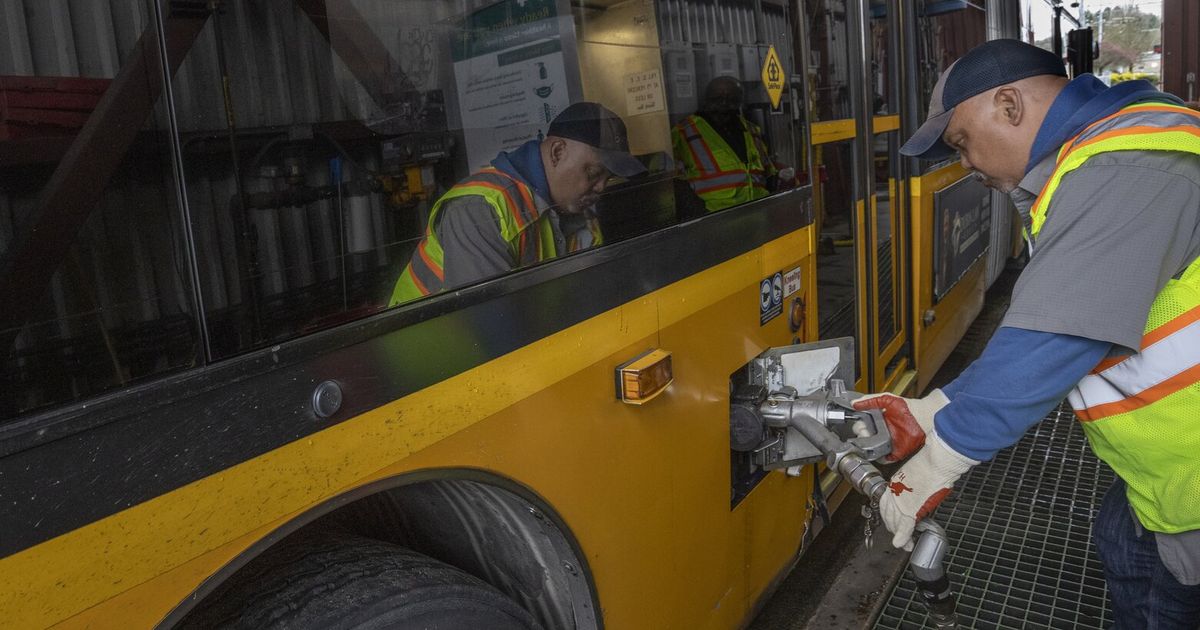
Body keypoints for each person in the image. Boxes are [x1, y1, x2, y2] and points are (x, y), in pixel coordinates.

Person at [854, 39, 1200, 627]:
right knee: (1125, 546)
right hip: (1164, 480)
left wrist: (941, 456)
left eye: (962, 141)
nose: (963, 164)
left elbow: (1054, 338)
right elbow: (1050, 327)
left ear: (1009, 105)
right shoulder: (1102, 160)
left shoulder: (1126, 163)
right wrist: (937, 405)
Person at [389, 102, 644, 305]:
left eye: (607, 178)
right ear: (557, 152)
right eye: (593, 173)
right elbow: (490, 323)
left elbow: (589, 298)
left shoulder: (583, 217)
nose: (600, 187)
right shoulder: (481, 208)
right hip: (428, 359)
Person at [671, 76, 789, 212]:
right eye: (717, 99)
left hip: (758, 213)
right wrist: (698, 214)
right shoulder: (684, 132)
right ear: (706, 101)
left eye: (732, 100)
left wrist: (780, 175)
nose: (724, 104)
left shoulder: (751, 130)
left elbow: (766, 172)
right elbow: (674, 183)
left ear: (740, 103)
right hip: (715, 220)